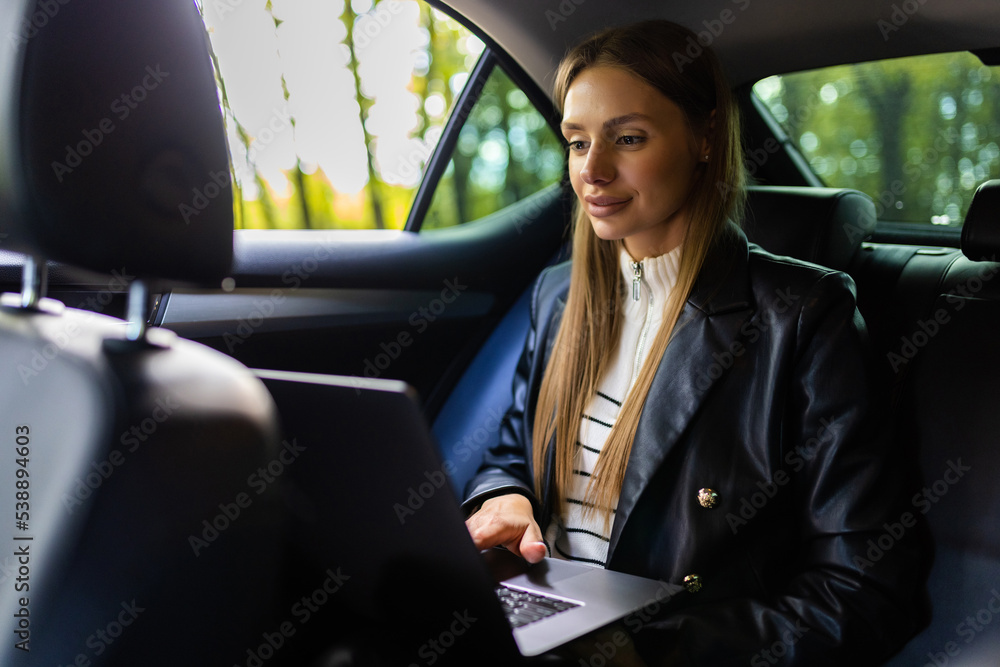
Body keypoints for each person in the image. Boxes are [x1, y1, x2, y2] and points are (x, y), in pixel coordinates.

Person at [463, 19, 929, 666]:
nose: (591, 170)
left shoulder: (804, 317)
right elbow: (512, 448)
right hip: (542, 630)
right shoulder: (557, 295)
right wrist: (504, 495)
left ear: (705, 136)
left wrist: (645, 650)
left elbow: (866, 588)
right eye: (575, 142)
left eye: (627, 138)